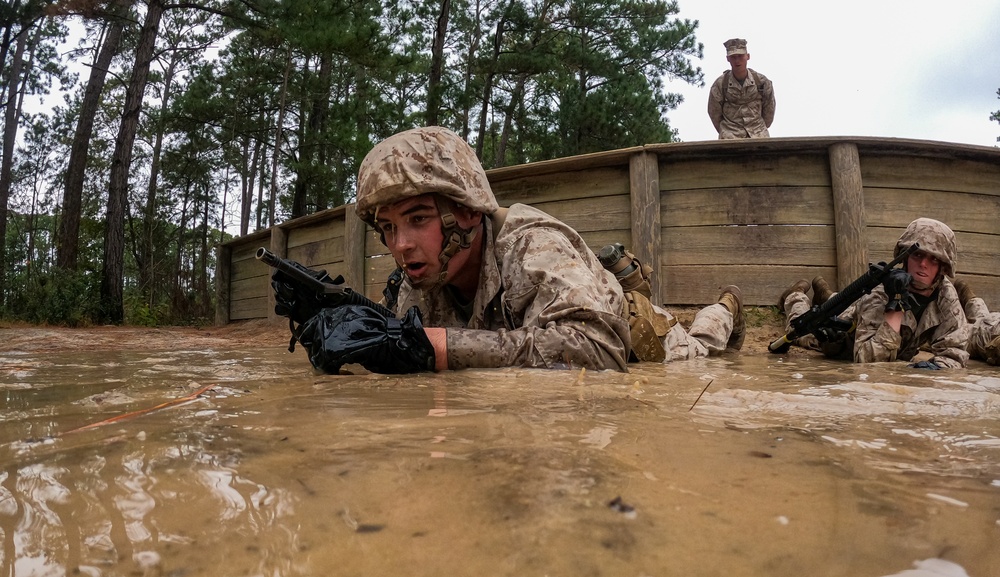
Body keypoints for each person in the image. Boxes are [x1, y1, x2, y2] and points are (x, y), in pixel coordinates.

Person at [288, 126, 746, 374]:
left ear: (467, 213)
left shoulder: (532, 243)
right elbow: (404, 342)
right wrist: (340, 322)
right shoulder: (422, 275)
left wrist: (439, 347)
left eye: (418, 219)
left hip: (644, 338)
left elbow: (600, 349)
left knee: (705, 346)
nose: (400, 244)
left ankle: (728, 306)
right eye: (387, 227)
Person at [777, 217, 969, 369]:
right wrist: (896, 307)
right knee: (803, 329)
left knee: (834, 300)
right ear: (905, 257)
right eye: (917, 255)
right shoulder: (881, 291)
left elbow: (955, 353)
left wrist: (932, 371)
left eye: (933, 259)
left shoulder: (945, 294)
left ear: (943, 267)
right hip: (841, 340)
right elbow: (867, 362)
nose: (924, 264)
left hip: (898, 350)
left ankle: (825, 293)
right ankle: (795, 295)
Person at [707, 38, 776, 139]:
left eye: (740, 56)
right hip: (730, 136)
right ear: (727, 58)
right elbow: (714, 112)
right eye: (733, 57)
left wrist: (758, 128)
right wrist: (725, 131)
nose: (737, 60)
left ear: (748, 56)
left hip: (758, 134)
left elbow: (769, 110)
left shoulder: (762, 82)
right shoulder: (720, 84)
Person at [953, 280, 1000, 365]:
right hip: (985, 333)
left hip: (991, 324)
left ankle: (970, 300)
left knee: (982, 316)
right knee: (946, 337)